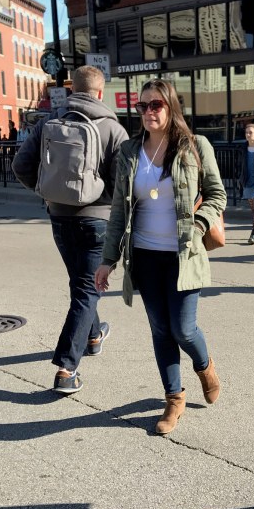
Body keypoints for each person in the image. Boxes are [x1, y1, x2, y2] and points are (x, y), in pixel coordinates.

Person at [94, 79, 227, 436]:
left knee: (183, 328)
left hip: (184, 254)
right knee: (160, 329)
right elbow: (119, 213)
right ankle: (174, 399)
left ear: (170, 107)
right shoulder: (129, 152)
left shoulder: (195, 146)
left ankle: (205, 366)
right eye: (142, 106)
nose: (148, 112)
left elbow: (217, 194)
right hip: (145, 255)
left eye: (156, 105)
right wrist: (108, 260)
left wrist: (198, 225)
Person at [12, 65, 128, 394]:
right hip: (98, 221)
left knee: (81, 286)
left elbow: (20, 165)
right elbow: (123, 184)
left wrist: (46, 191)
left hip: (59, 217)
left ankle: (93, 336)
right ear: (101, 92)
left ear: (72, 88)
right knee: (86, 290)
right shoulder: (113, 130)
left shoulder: (49, 123)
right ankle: (66, 368)